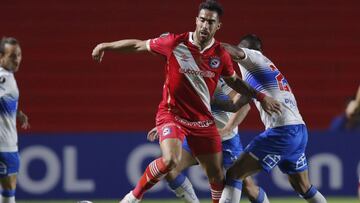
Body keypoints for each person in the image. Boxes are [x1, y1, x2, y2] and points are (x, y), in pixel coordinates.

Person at [91, 1, 281, 202]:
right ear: (196, 21)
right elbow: (139, 45)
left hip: (206, 124)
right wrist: (106, 45)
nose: (205, 25)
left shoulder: (221, 56)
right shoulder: (175, 43)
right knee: (170, 162)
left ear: (218, 26)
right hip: (173, 115)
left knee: (223, 179)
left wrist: (260, 97)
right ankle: (132, 198)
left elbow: (236, 86)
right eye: (202, 20)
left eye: (211, 22)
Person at [219, 34, 327, 203]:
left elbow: (230, 50)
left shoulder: (255, 58)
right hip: (298, 130)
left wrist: (207, 46)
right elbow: (237, 104)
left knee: (234, 174)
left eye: (243, 48)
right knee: (303, 186)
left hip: (282, 131)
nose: (240, 52)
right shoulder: (260, 73)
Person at [147, 78, 270, 203]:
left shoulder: (218, 79)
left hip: (226, 141)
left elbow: (244, 107)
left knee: (249, 188)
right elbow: (180, 107)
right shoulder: (187, 80)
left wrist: (227, 129)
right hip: (199, 136)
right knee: (170, 170)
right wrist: (166, 124)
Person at [0, 37, 30, 203]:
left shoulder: (7, 77)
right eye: (12, 56)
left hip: (7, 143)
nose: (17, 59)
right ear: (1, 57)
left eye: (19, 55)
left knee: (8, 188)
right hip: (4, 145)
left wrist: (18, 113)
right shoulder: (4, 77)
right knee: (8, 189)